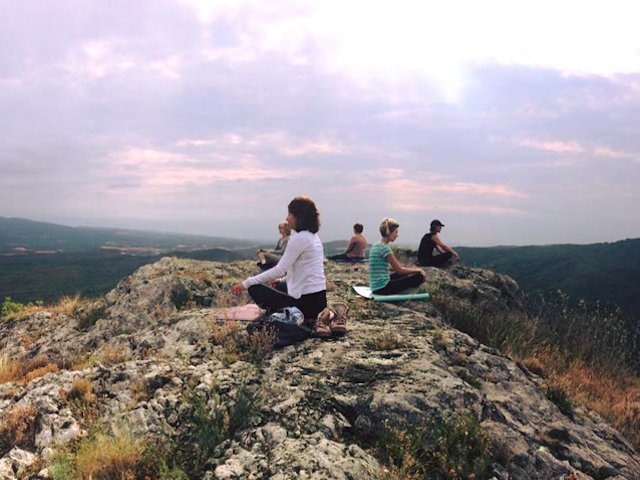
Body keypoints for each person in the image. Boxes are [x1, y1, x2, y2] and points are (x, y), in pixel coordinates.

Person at [231, 196, 327, 320]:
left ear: (299, 216)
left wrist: (246, 283)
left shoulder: (299, 239)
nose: (287, 218)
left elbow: (279, 270)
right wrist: (281, 280)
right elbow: (304, 271)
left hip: (304, 307)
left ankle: (286, 313)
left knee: (254, 288)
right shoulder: (314, 237)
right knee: (277, 286)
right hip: (318, 303)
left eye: (290, 214)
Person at [369, 218, 426, 295]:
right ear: (389, 233)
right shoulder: (385, 248)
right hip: (383, 288)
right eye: (396, 232)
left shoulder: (375, 245)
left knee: (406, 274)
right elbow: (399, 269)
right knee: (419, 276)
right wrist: (419, 270)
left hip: (375, 287)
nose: (397, 235)